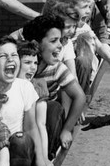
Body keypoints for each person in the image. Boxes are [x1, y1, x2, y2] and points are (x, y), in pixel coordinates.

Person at [0, 35, 53, 166]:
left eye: (14, 55)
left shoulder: (24, 87)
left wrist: (41, 164)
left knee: (21, 140)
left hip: (17, 155)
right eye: (2, 56)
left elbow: (31, 127)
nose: (10, 60)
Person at [22, 14, 86, 151]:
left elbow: (79, 96)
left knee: (52, 108)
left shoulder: (56, 68)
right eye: (53, 41)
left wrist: (67, 129)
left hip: (45, 121)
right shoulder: (21, 65)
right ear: (36, 44)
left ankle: (49, 151)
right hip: (24, 118)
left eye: (60, 40)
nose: (59, 45)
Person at [17, 40, 54, 166]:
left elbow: (40, 125)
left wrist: (44, 158)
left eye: (35, 63)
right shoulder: (8, 85)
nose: (33, 67)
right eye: (27, 63)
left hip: (29, 141)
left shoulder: (37, 86)